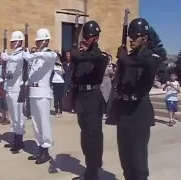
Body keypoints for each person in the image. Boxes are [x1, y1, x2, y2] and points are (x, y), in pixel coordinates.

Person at [112, 17, 161, 180]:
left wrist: (125, 59)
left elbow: (147, 64)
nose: (131, 40)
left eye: (135, 37)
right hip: (124, 111)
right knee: (125, 159)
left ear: (145, 38)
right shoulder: (129, 56)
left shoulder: (151, 56)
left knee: (139, 162)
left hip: (139, 112)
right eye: (130, 37)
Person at [68, 20, 107, 180]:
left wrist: (76, 53)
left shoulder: (99, 56)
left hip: (93, 98)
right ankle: (90, 169)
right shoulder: (82, 55)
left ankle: (93, 172)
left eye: (88, 37)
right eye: (84, 36)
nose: (84, 39)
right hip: (82, 98)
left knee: (93, 136)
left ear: (96, 38)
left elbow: (81, 55)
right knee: (85, 136)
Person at [23, 28, 57, 164]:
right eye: (36, 41)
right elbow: (33, 74)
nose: (37, 43)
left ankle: (46, 151)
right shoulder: (37, 57)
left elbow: (52, 56)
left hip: (43, 93)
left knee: (44, 123)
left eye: (39, 41)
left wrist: (34, 55)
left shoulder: (49, 55)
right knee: (36, 124)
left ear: (46, 41)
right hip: (33, 92)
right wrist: (27, 82)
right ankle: (39, 148)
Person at [0, 30, 27, 154]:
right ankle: (16, 139)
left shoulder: (22, 54)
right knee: (12, 116)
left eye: (13, 42)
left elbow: (17, 60)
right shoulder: (12, 55)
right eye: (11, 42)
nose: (11, 44)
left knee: (18, 116)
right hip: (10, 88)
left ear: (19, 42)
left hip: (17, 89)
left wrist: (8, 57)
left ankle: (19, 141)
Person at [0, 56, 9, 125]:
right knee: (1, 104)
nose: (1, 61)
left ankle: (8, 118)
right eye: (1, 59)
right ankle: (3, 117)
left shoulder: (8, 69)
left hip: (6, 87)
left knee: (6, 104)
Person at [100, 54, 114, 119]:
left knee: (108, 98)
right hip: (101, 83)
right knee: (102, 98)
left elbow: (113, 76)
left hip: (108, 84)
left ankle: (107, 113)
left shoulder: (110, 67)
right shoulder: (101, 66)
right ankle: (102, 113)